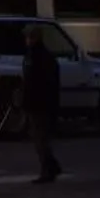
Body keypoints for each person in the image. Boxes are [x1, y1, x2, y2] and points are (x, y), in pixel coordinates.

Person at [21, 30, 63, 183]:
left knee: (41, 139)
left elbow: (41, 83)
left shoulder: (41, 57)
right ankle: (50, 166)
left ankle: (48, 169)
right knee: (38, 138)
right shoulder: (32, 55)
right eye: (27, 37)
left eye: (30, 37)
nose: (27, 40)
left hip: (40, 103)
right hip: (35, 102)